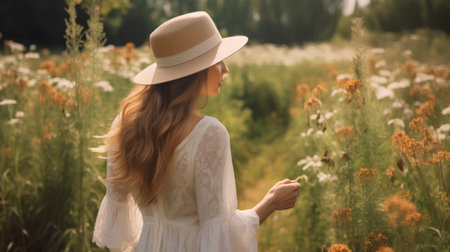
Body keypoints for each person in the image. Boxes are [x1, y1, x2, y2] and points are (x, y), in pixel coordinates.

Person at [92, 11, 301, 252]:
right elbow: (219, 235)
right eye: (218, 61)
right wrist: (271, 202)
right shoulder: (209, 133)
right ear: (196, 71)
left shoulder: (124, 125)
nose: (226, 70)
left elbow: (120, 224)